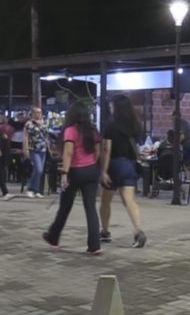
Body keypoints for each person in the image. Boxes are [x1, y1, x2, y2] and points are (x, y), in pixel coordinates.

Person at [43, 102, 102, 254]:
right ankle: (94, 245)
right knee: (91, 209)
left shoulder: (70, 131)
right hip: (91, 171)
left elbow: (68, 153)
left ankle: (53, 237)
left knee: (65, 207)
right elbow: (98, 152)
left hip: (75, 171)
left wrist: (65, 173)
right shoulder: (93, 131)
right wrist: (94, 166)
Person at [100, 94, 147, 248]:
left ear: (117, 107)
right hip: (130, 165)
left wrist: (104, 170)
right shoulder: (136, 125)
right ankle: (138, 230)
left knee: (106, 200)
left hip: (114, 165)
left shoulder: (110, 125)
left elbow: (107, 149)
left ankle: (105, 232)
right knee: (129, 200)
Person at [23, 107, 48, 199]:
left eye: (40, 112)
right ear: (33, 113)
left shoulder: (44, 123)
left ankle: (36, 190)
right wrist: (25, 149)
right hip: (33, 148)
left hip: (43, 149)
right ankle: (30, 188)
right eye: (37, 112)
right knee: (38, 169)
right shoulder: (29, 124)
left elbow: (46, 136)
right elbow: (26, 136)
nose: (38, 114)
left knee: (39, 171)